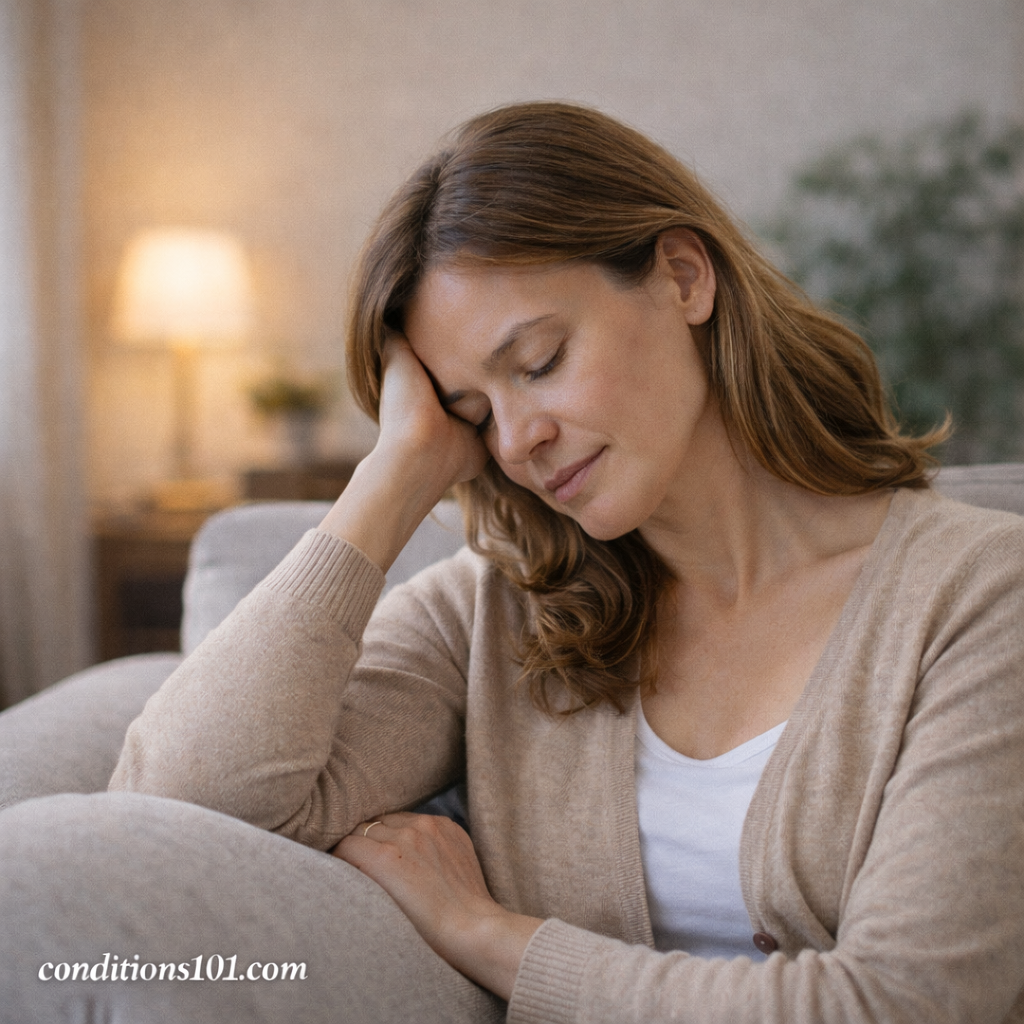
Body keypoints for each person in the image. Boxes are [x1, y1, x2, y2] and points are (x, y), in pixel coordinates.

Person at [105, 102, 1024, 1023]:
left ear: (682, 276)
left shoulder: (982, 596)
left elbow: (909, 1004)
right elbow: (180, 805)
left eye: (539, 361)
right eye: (471, 411)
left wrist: (487, 934)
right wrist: (391, 480)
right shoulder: (501, 617)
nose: (518, 440)